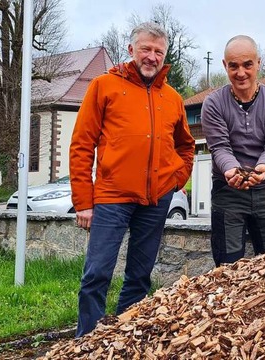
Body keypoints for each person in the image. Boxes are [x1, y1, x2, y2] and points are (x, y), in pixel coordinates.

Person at [69, 22, 195, 337]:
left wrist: (177, 178)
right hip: (112, 197)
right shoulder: (104, 86)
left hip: (155, 200)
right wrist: (83, 201)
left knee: (139, 277)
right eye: (145, 49)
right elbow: (82, 144)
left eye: (158, 51)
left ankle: (125, 338)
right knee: (97, 274)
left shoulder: (173, 97)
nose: (151, 57)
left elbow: (186, 145)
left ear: (164, 55)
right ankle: (88, 342)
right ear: (131, 50)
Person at [201, 35, 265, 266]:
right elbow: (219, 146)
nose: (241, 72)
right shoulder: (213, 103)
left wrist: (263, 168)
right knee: (227, 269)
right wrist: (232, 170)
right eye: (234, 66)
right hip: (227, 193)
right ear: (225, 65)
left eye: (247, 64)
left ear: (258, 63)